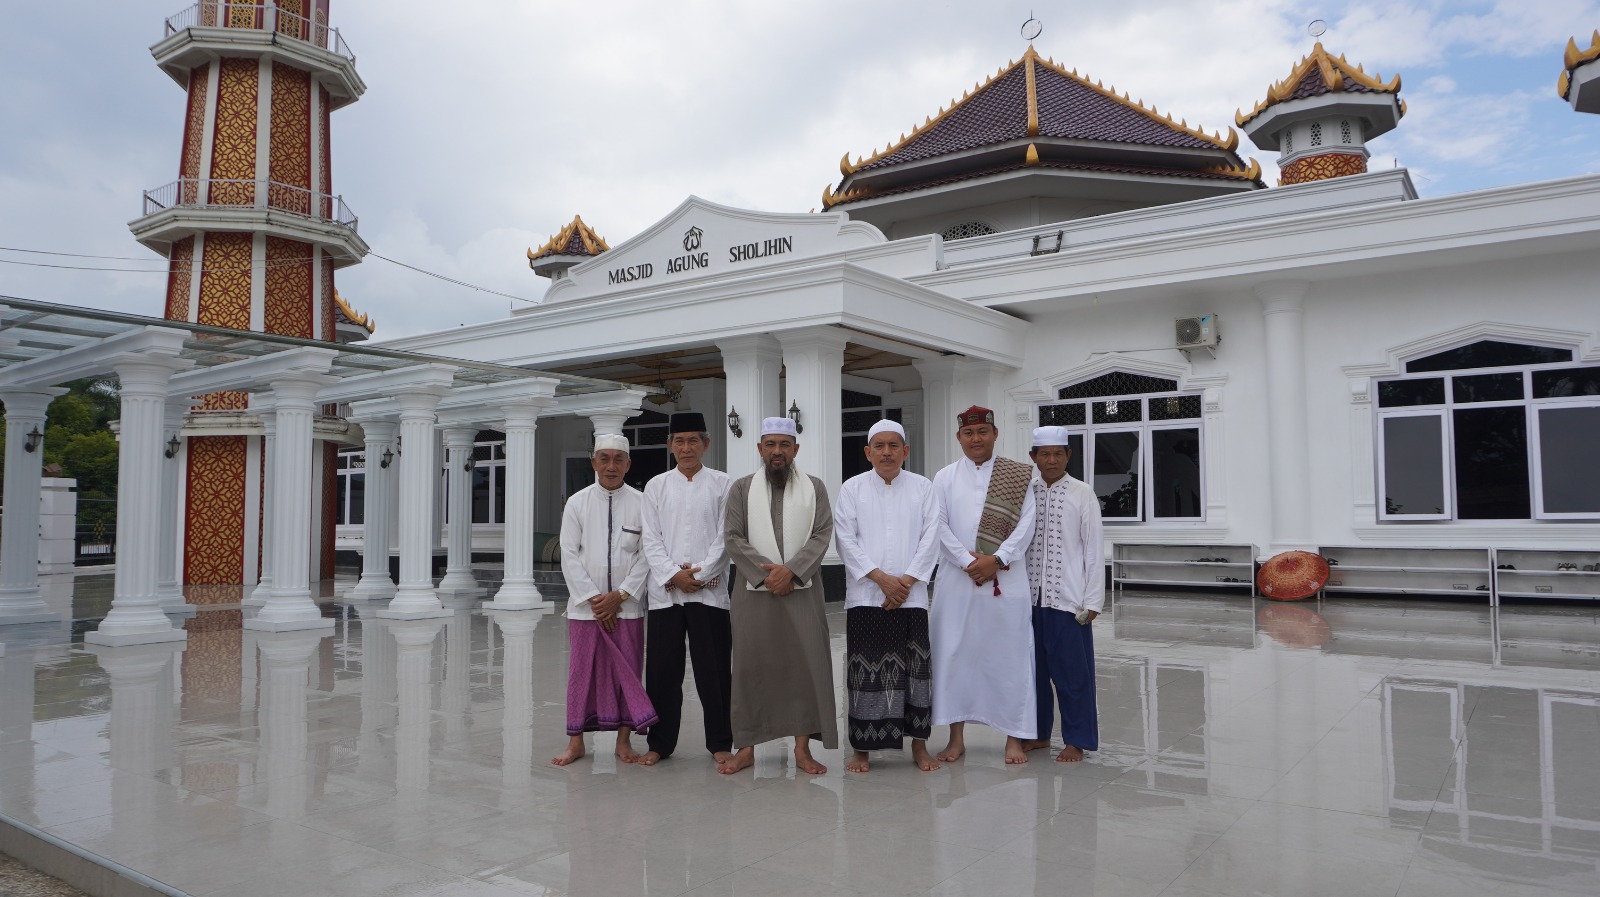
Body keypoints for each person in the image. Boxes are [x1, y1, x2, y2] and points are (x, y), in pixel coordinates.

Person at [720, 417, 838, 775]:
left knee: (804, 666)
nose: (777, 452)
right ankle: (746, 748)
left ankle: (802, 750)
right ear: (759, 449)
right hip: (754, 593)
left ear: (795, 449)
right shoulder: (741, 488)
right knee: (750, 668)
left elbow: (822, 534)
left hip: (801, 590)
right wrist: (767, 574)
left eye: (784, 445)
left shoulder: (814, 487)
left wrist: (792, 571)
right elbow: (732, 536)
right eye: (770, 444)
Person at [930, 405, 1038, 764]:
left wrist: (997, 560)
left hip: (1006, 581)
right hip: (956, 583)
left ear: (995, 434)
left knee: (1010, 655)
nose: (976, 439)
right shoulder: (943, 477)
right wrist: (968, 561)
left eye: (982, 433)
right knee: (954, 654)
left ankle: (1014, 738)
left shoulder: (1020, 475)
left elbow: (1027, 525)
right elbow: (937, 526)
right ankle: (955, 738)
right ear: (959, 437)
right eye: (968, 434)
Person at [834, 419, 942, 774]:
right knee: (865, 674)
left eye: (893, 445)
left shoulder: (924, 488)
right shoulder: (852, 489)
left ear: (905, 451)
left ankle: (919, 745)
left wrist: (906, 582)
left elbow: (932, 537)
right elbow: (846, 540)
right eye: (878, 446)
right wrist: (882, 579)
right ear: (867, 452)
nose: (886, 452)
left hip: (910, 598)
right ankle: (862, 749)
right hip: (867, 596)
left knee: (915, 673)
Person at [552, 434, 656, 766]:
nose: (611, 466)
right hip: (587, 610)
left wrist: (620, 596)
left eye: (618, 459)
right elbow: (568, 554)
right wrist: (596, 599)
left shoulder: (642, 503)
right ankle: (575, 741)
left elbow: (647, 554)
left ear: (628, 464)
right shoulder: (577, 503)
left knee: (628, 671)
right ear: (594, 462)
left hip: (627, 608)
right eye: (604, 459)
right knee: (582, 672)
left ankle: (623, 742)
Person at [639, 411, 734, 769]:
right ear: (669, 446)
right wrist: (673, 576)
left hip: (709, 593)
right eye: (679, 441)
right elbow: (651, 539)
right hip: (666, 595)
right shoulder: (656, 486)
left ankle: (721, 741)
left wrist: (701, 574)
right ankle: (660, 743)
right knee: (663, 672)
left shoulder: (724, 484)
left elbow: (726, 536)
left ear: (706, 444)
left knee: (714, 670)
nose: (686, 447)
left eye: (693, 440)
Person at [1021, 426, 1104, 762]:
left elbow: (1094, 549)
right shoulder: (1026, 493)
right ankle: (1039, 734)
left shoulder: (1082, 493)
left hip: (1069, 601)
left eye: (1058, 453)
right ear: (1034, 457)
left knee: (1073, 676)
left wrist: (1093, 600)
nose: (1051, 460)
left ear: (1068, 456)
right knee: (1034, 674)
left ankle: (1077, 739)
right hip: (1027, 601)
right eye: (1044, 454)